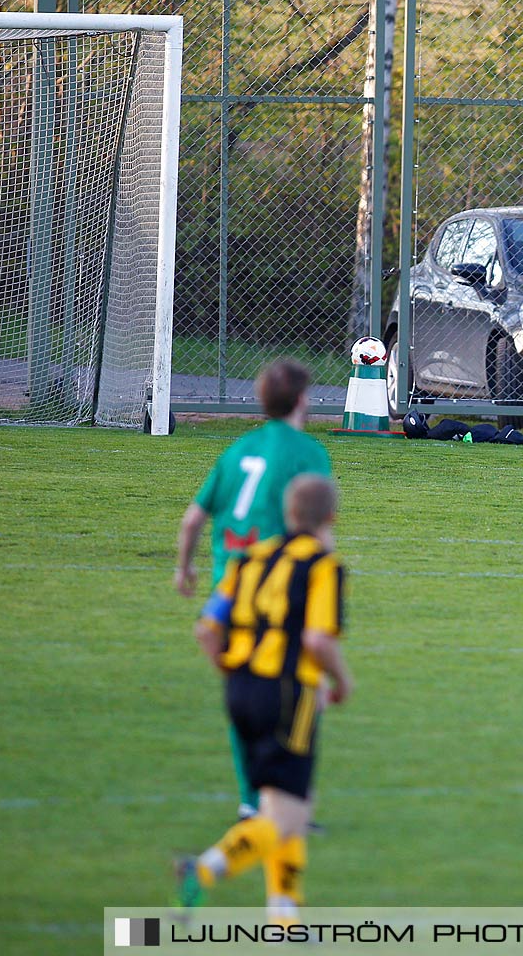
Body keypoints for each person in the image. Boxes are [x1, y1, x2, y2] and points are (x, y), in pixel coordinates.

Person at [175, 475, 351, 922]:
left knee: (279, 802)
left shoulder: (249, 559)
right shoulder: (322, 566)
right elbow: (316, 639)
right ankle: (205, 869)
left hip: (241, 690)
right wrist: (342, 681)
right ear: (331, 517)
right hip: (288, 694)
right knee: (290, 816)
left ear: (288, 514)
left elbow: (205, 629)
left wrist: (233, 670)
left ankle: (284, 921)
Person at [176, 359, 332, 821]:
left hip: (229, 587)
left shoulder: (238, 448)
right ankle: (286, 800)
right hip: (277, 586)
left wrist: (184, 570)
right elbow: (320, 528)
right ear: (302, 399)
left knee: (241, 690)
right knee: (295, 691)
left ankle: (250, 800)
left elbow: (192, 520)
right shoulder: (308, 453)